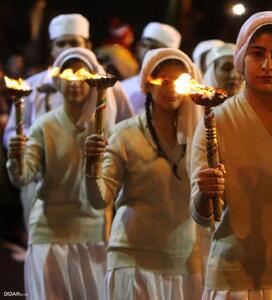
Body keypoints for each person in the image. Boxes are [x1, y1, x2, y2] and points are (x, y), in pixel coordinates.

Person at [190, 11, 272, 300]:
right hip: (235, 278)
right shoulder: (217, 121)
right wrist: (206, 192)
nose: (268, 65)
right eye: (258, 53)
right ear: (241, 58)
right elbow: (202, 216)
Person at [84, 48, 203, 300]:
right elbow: (99, 199)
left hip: (185, 261)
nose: (171, 89)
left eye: (179, 82)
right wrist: (91, 166)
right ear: (147, 83)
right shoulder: (126, 134)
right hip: (132, 259)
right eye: (164, 80)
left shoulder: (198, 137)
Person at [3, 13, 134, 228]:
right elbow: (13, 131)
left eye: (74, 42)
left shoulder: (109, 87)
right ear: (52, 49)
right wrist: (32, 147)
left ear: (88, 45)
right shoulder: (32, 86)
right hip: (42, 182)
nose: (67, 48)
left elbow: (126, 129)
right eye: (60, 43)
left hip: (93, 185)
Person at [6, 47, 110, 300]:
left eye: (82, 75)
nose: (75, 83)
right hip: (49, 234)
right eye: (67, 75)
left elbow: (109, 187)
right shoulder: (44, 125)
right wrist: (15, 157)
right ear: (57, 80)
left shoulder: (103, 128)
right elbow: (23, 177)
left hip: (92, 234)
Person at [121, 22, 181, 114]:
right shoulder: (123, 87)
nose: (147, 51)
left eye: (154, 47)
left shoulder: (178, 93)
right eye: (144, 45)